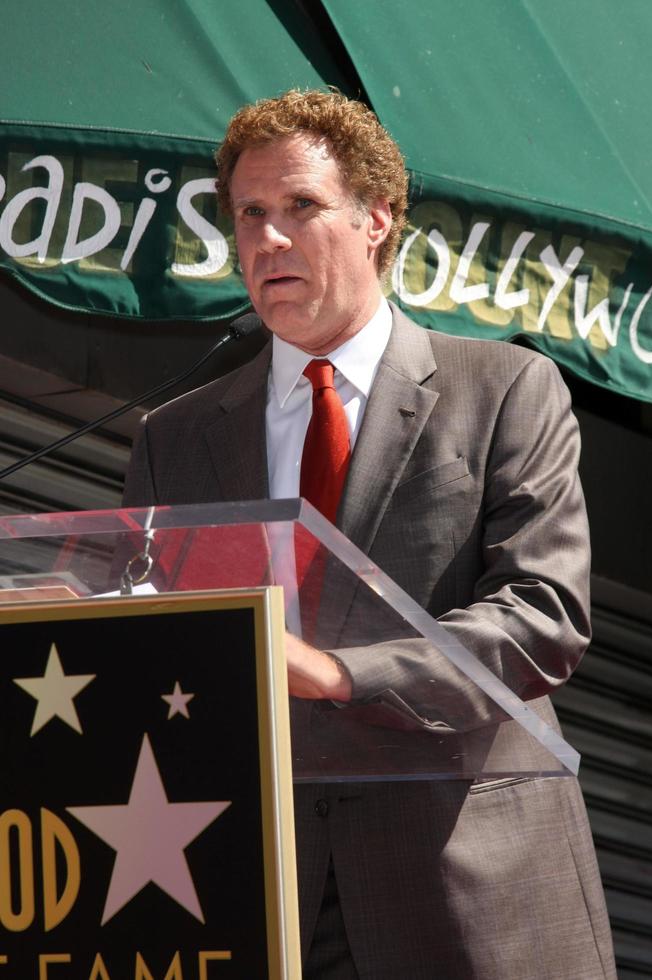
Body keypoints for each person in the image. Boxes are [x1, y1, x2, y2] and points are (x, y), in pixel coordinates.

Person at [123, 90, 616, 979]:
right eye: (250, 214)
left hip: (467, 889)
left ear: (376, 218)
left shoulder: (506, 389)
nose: (269, 239)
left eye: (301, 207)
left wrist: (345, 673)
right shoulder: (174, 436)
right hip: (248, 890)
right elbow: (158, 641)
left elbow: (543, 614)